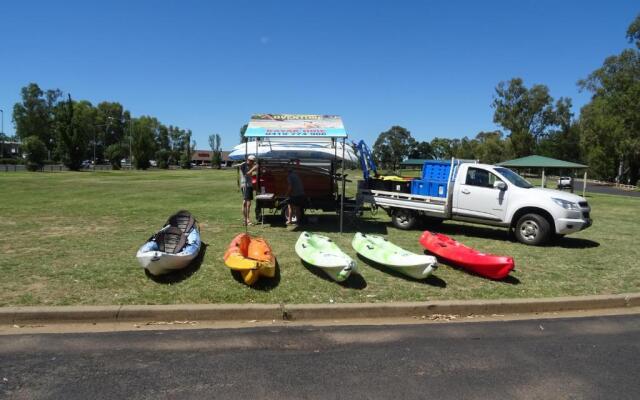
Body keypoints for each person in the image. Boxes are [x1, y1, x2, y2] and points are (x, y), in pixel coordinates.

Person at [240, 155, 258, 226]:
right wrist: (253, 168)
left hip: (249, 185)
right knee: (247, 203)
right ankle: (247, 220)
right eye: (253, 161)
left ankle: (246, 220)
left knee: (246, 202)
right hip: (245, 185)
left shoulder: (250, 165)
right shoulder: (244, 165)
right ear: (249, 160)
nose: (253, 163)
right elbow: (246, 174)